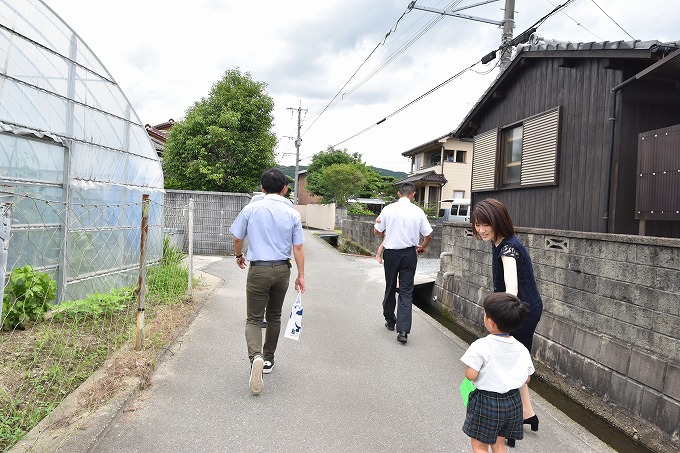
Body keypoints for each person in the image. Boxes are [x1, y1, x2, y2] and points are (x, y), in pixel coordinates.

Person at [470, 198, 543, 446]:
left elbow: (511, 288)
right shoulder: (499, 242)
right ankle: (528, 414)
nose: (480, 230)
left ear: (498, 221)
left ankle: (510, 427)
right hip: (516, 309)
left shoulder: (508, 248)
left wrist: (498, 322)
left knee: (511, 367)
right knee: (515, 366)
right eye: (477, 224)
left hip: (518, 312)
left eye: (485, 224)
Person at [229, 169, 305, 395]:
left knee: (253, 318)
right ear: (285, 189)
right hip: (283, 269)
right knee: (273, 316)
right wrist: (301, 275)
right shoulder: (292, 213)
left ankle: (256, 357)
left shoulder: (251, 208)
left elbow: (237, 238)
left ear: (262, 188)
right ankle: (269, 360)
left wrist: (238, 256)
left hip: (258, 269)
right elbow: (298, 247)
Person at [461, 292, 535, 453]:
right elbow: (527, 378)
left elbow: (471, 375)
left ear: (491, 322)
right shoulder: (521, 348)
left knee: (480, 445)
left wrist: (470, 372)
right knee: (499, 443)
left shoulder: (481, 345)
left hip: (487, 402)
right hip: (512, 402)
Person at [373, 182, 433, 344]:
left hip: (391, 254)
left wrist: (388, 234)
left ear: (399, 194)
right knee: (406, 291)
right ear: (413, 195)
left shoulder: (388, 209)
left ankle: (390, 320)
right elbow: (428, 235)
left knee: (390, 286)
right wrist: (422, 247)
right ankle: (403, 331)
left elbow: (376, 230)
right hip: (409, 254)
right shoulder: (418, 211)